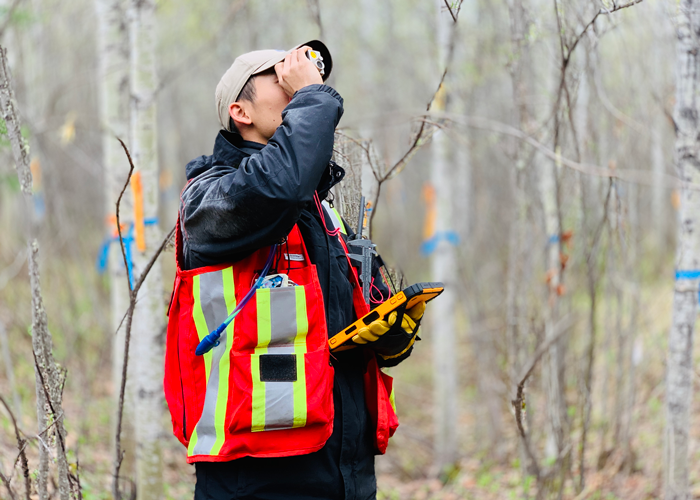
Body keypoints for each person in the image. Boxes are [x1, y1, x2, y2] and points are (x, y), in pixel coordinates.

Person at [163, 40, 425, 500]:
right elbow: (279, 185)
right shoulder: (209, 199)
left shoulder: (325, 215)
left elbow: (351, 321)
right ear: (240, 111)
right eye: (278, 76)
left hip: (342, 469)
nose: (295, 80)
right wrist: (314, 98)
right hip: (255, 476)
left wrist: (390, 334)